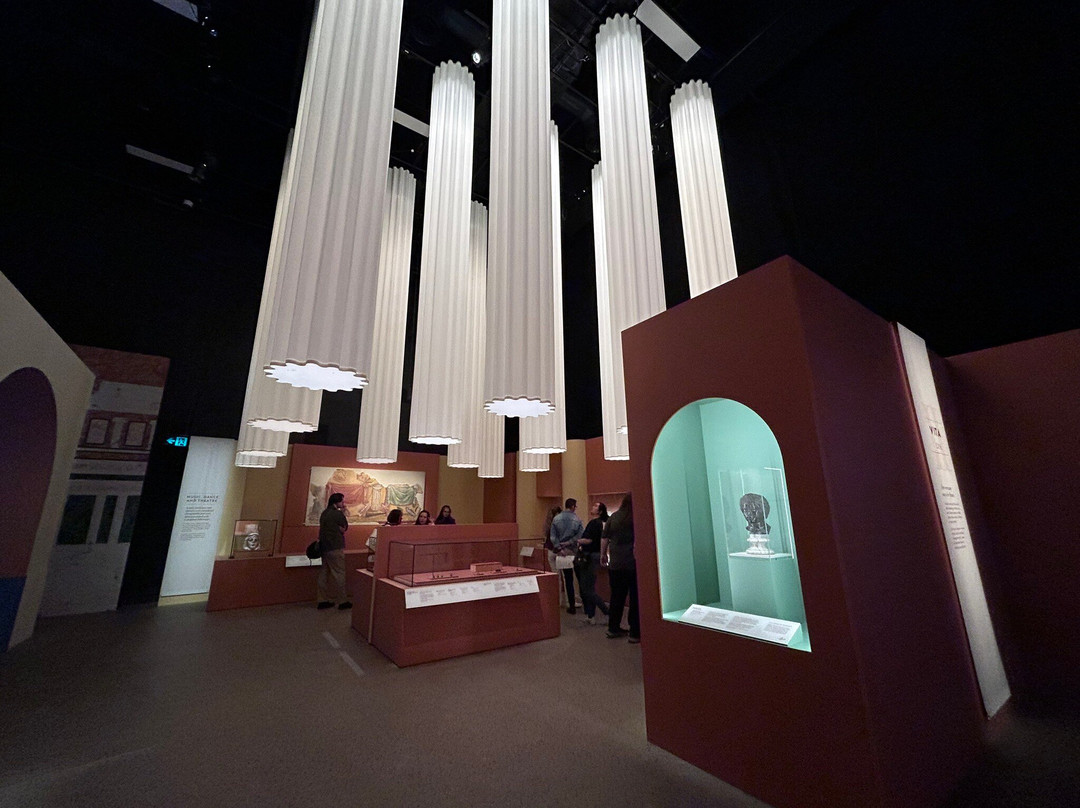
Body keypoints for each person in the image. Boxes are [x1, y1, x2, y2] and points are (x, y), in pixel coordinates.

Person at [602, 493, 639, 643]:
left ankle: (613, 628)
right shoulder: (635, 517)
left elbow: (605, 538)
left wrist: (603, 555)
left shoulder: (614, 516)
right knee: (635, 598)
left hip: (616, 564)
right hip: (632, 563)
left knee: (616, 597)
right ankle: (634, 632)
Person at [575, 502, 609, 624]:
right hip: (595, 555)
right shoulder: (602, 523)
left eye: (595, 506)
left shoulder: (594, 523)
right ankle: (591, 615)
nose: (593, 507)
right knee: (589, 587)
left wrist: (577, 541)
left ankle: (606, 611)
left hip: (589, 556)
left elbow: (589, 540)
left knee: (587, 588)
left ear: (600, 511)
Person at [550, 498, 584, 614]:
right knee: (579, 578)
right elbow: (580, 535)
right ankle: (585, 604)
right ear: (573, 506)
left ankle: (571, 605)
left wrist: (559, 547)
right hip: (574, 551)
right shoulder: (577, 519)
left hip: (562, 552)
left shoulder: (556, 519)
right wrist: (570, 542)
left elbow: (553, 536)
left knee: (568, 579)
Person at [317, 493, 351, 610]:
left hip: (324, 547)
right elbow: (344, 528)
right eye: (342, 501)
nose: (343, 504)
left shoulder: (324, 513)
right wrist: (344, 513)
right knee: (339, 573)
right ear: (336, 502)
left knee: (323, 574)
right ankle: (342, 601)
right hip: (335, 546)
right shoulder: (337, 514)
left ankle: (322, 600)